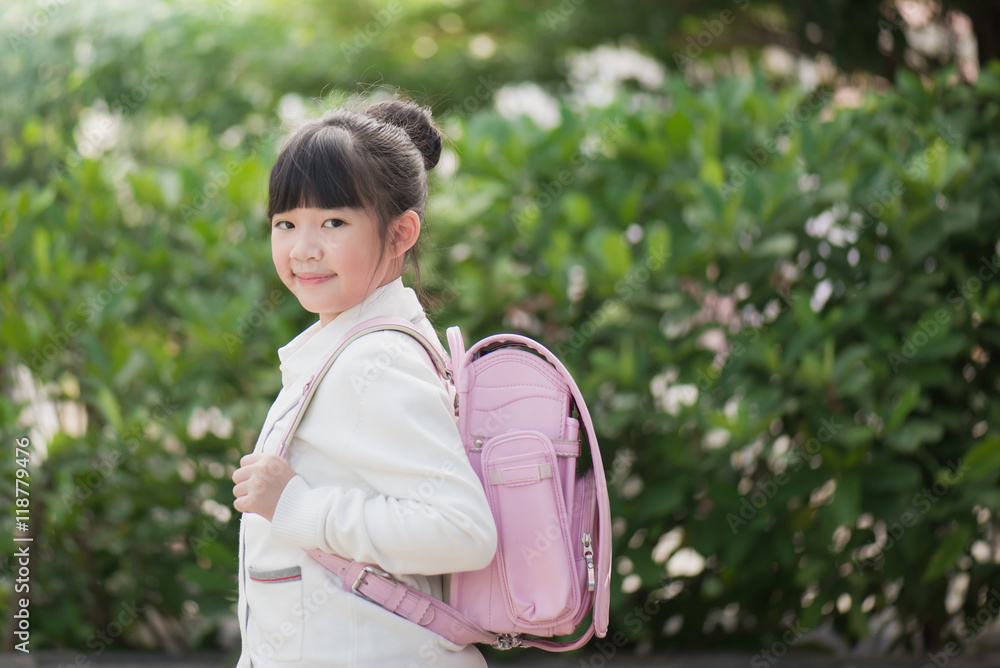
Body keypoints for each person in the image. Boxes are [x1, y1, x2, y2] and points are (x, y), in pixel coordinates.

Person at [231, 96, 498, 667]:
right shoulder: (347, 348)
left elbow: (461, 529)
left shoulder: (373, 362)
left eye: (333, 221)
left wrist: (298, 506)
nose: (304, 248)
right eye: (286, 223)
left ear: (401, 233)